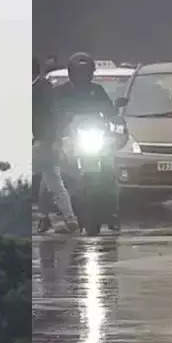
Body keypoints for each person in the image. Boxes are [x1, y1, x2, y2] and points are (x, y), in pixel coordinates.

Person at [55, 52, 120, 231]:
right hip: (69, 139)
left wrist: (114, 119)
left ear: (91, 73)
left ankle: (112, 212)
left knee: (109, 170)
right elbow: (51, 114)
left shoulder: (97, 91)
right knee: (55, 173)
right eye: (78, 72)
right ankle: (49, 213)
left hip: (94, 138)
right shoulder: (60, 92)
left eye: (86, 72)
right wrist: (59, 125)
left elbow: (110, 112)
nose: (82, 76)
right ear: (71, 73)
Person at [33, 56, 77, 233]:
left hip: (43, 141)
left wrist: (53, 140)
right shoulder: (41, 87)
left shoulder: (42, 88)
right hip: (44, 141)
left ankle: (51, 217)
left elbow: (52, 116)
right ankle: (69, 218)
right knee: (53, 181)